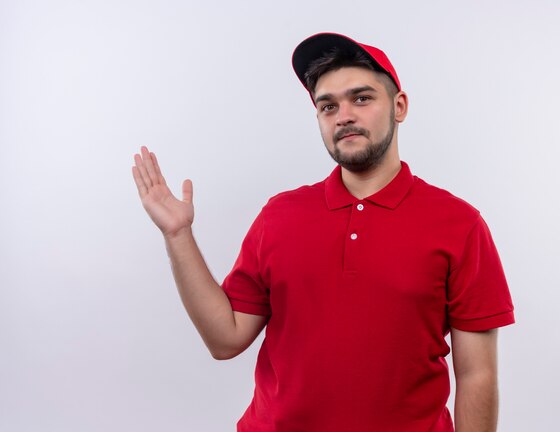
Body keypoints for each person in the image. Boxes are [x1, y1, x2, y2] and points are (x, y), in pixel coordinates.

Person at [132, 32, 515, 432]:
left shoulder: (459, 224)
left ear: (399, 106)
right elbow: (225, 339)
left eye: (361, 98)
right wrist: (178, 235)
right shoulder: (280, 215)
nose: (343, 115)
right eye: (327, 106)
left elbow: (476, 375)